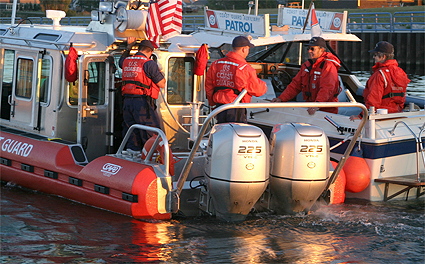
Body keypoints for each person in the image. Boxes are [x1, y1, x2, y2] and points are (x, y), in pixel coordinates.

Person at [205, 35, 267, 123]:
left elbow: (209, 87)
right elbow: (258, 90)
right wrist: (264, 85)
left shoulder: (216, 64)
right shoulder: (244, 68)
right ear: (244, 49)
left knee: (220, 133)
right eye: (248, 48)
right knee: (236, 134)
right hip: (236, 108)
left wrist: (212, 104)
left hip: (219, 107)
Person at [271, 36, 341, 115]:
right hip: (310, 107)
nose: (309, 51)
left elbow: (327, 88)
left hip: (327, 111)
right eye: (308, 49)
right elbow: (295, 85)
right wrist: (281, 99)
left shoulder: (328, 65)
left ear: (322, 49)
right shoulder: (307, 66)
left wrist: (318, 104)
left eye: (312, 49)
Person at [119, 37, 166, 151]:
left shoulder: (126, 61)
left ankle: (132, 152)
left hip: (127, 102)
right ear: (150, 52)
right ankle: (151, 155)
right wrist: (161, 73)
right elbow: (162, 84)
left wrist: (128, 47)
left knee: (131, 129)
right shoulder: (149, 63)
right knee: (151, 130)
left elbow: (121, 61)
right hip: (142, 103)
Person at [351, 41, 410, 120]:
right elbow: (402, 97)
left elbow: (373, 100)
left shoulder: (379, 74)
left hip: (380, 116)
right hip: (396, 115)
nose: (373, 57)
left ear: (383, 57)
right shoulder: (401, 72)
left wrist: (361, 117)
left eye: (375, 55)